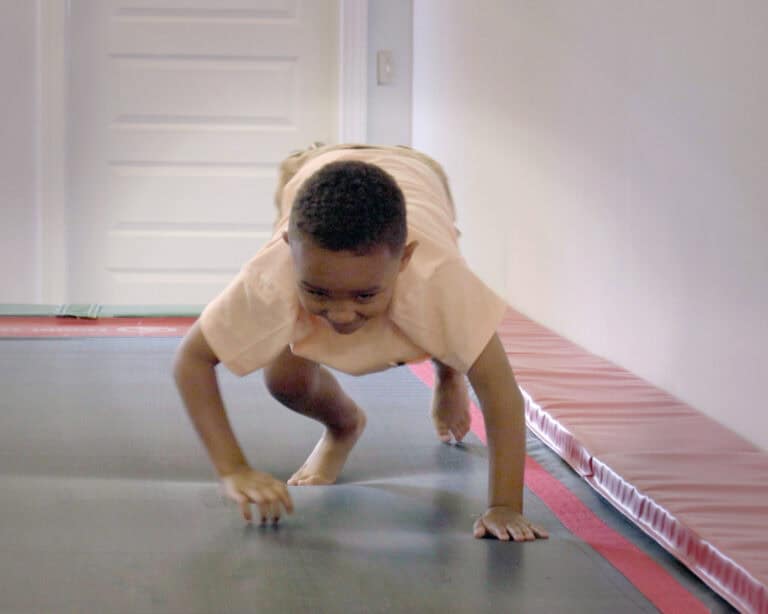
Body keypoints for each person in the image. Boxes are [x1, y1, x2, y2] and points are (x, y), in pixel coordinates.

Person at [173, 144, 548, 542]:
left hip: (419, 176)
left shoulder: (437, 279)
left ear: (403, 260)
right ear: (290, 254)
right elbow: (191, 361)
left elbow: (500, 391)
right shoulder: (272, 278)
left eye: (364, 296)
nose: (341, 315)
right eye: (317, 291)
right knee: (284, 380)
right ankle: (343, 426)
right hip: (313, 169)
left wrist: (505, 505)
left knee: (450, 330)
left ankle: (447, 371)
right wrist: (233, 468)